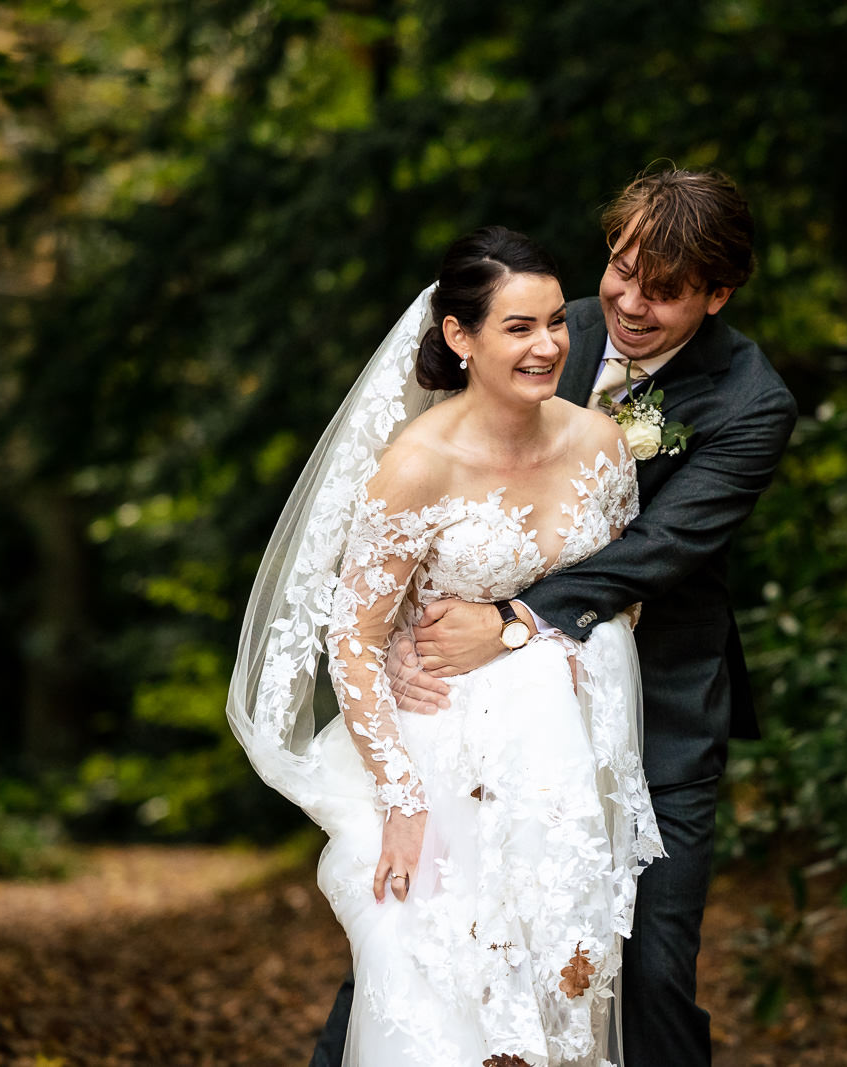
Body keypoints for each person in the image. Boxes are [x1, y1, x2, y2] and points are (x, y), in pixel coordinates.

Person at [369, 168, 798, 1066]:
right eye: (621, 269)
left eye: (667, 290)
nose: (629, 303)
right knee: (425, 948)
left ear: (718, 295)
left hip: (661, 720)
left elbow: (660, 551)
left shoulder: (752, 402)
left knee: (645, 972)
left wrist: (512, 616)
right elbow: (428, 489)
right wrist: (405, 634)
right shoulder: (543, 323)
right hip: (487, 721)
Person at [227, 226, 663, 1066]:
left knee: (563, 989)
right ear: (459, 337)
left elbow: (623, 593)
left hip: (562, 767)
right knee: (447, 1007)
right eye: (519, 327)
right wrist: (403, 801)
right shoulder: (417, 466)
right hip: (441, 765)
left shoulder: (602, 445)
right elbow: (352, 638)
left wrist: (525, 642)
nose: (548, 346)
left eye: (555, 324)